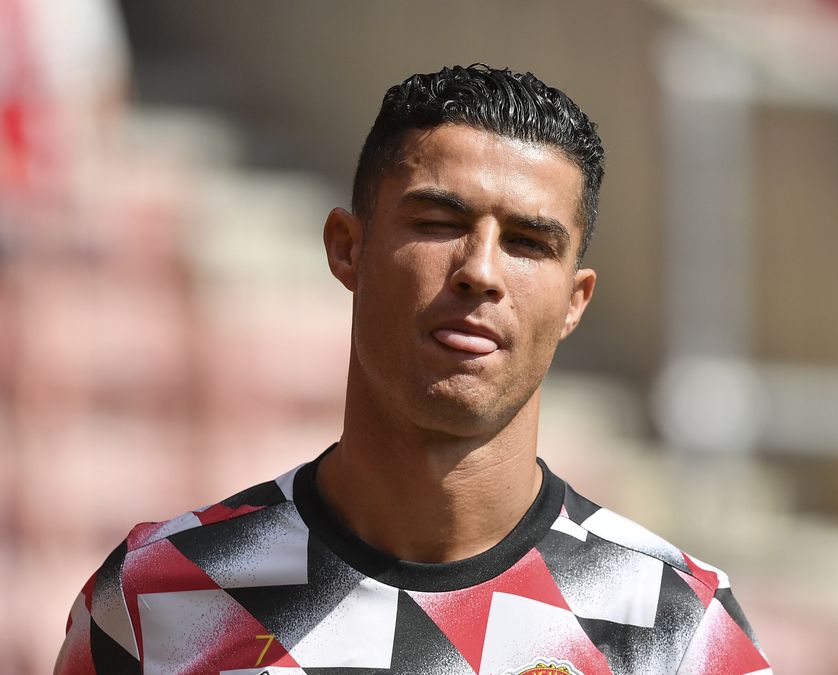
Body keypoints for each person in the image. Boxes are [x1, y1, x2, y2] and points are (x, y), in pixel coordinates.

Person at [54, 65, 771, 675]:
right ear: (346, 247)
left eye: (527, 242)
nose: (481, 271)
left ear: (574, 301)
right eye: (438, 222)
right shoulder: (158, 596)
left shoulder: (676, 629)